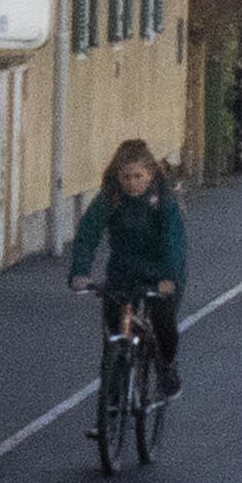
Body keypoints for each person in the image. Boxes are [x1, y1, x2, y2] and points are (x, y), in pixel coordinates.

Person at [66, 135, 191, 397]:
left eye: (138, 176)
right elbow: (89, 233)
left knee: (163, 322)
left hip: (161, 271)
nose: (132, 184)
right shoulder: (110, 197)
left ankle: (167, 367)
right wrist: (80, 271)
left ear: (150, 174)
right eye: (126, 177)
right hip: (124, 269)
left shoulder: (164, 200)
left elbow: (174, 240)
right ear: (117, 175)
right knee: (113, 326)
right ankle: (114, 383)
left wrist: (169, 276)